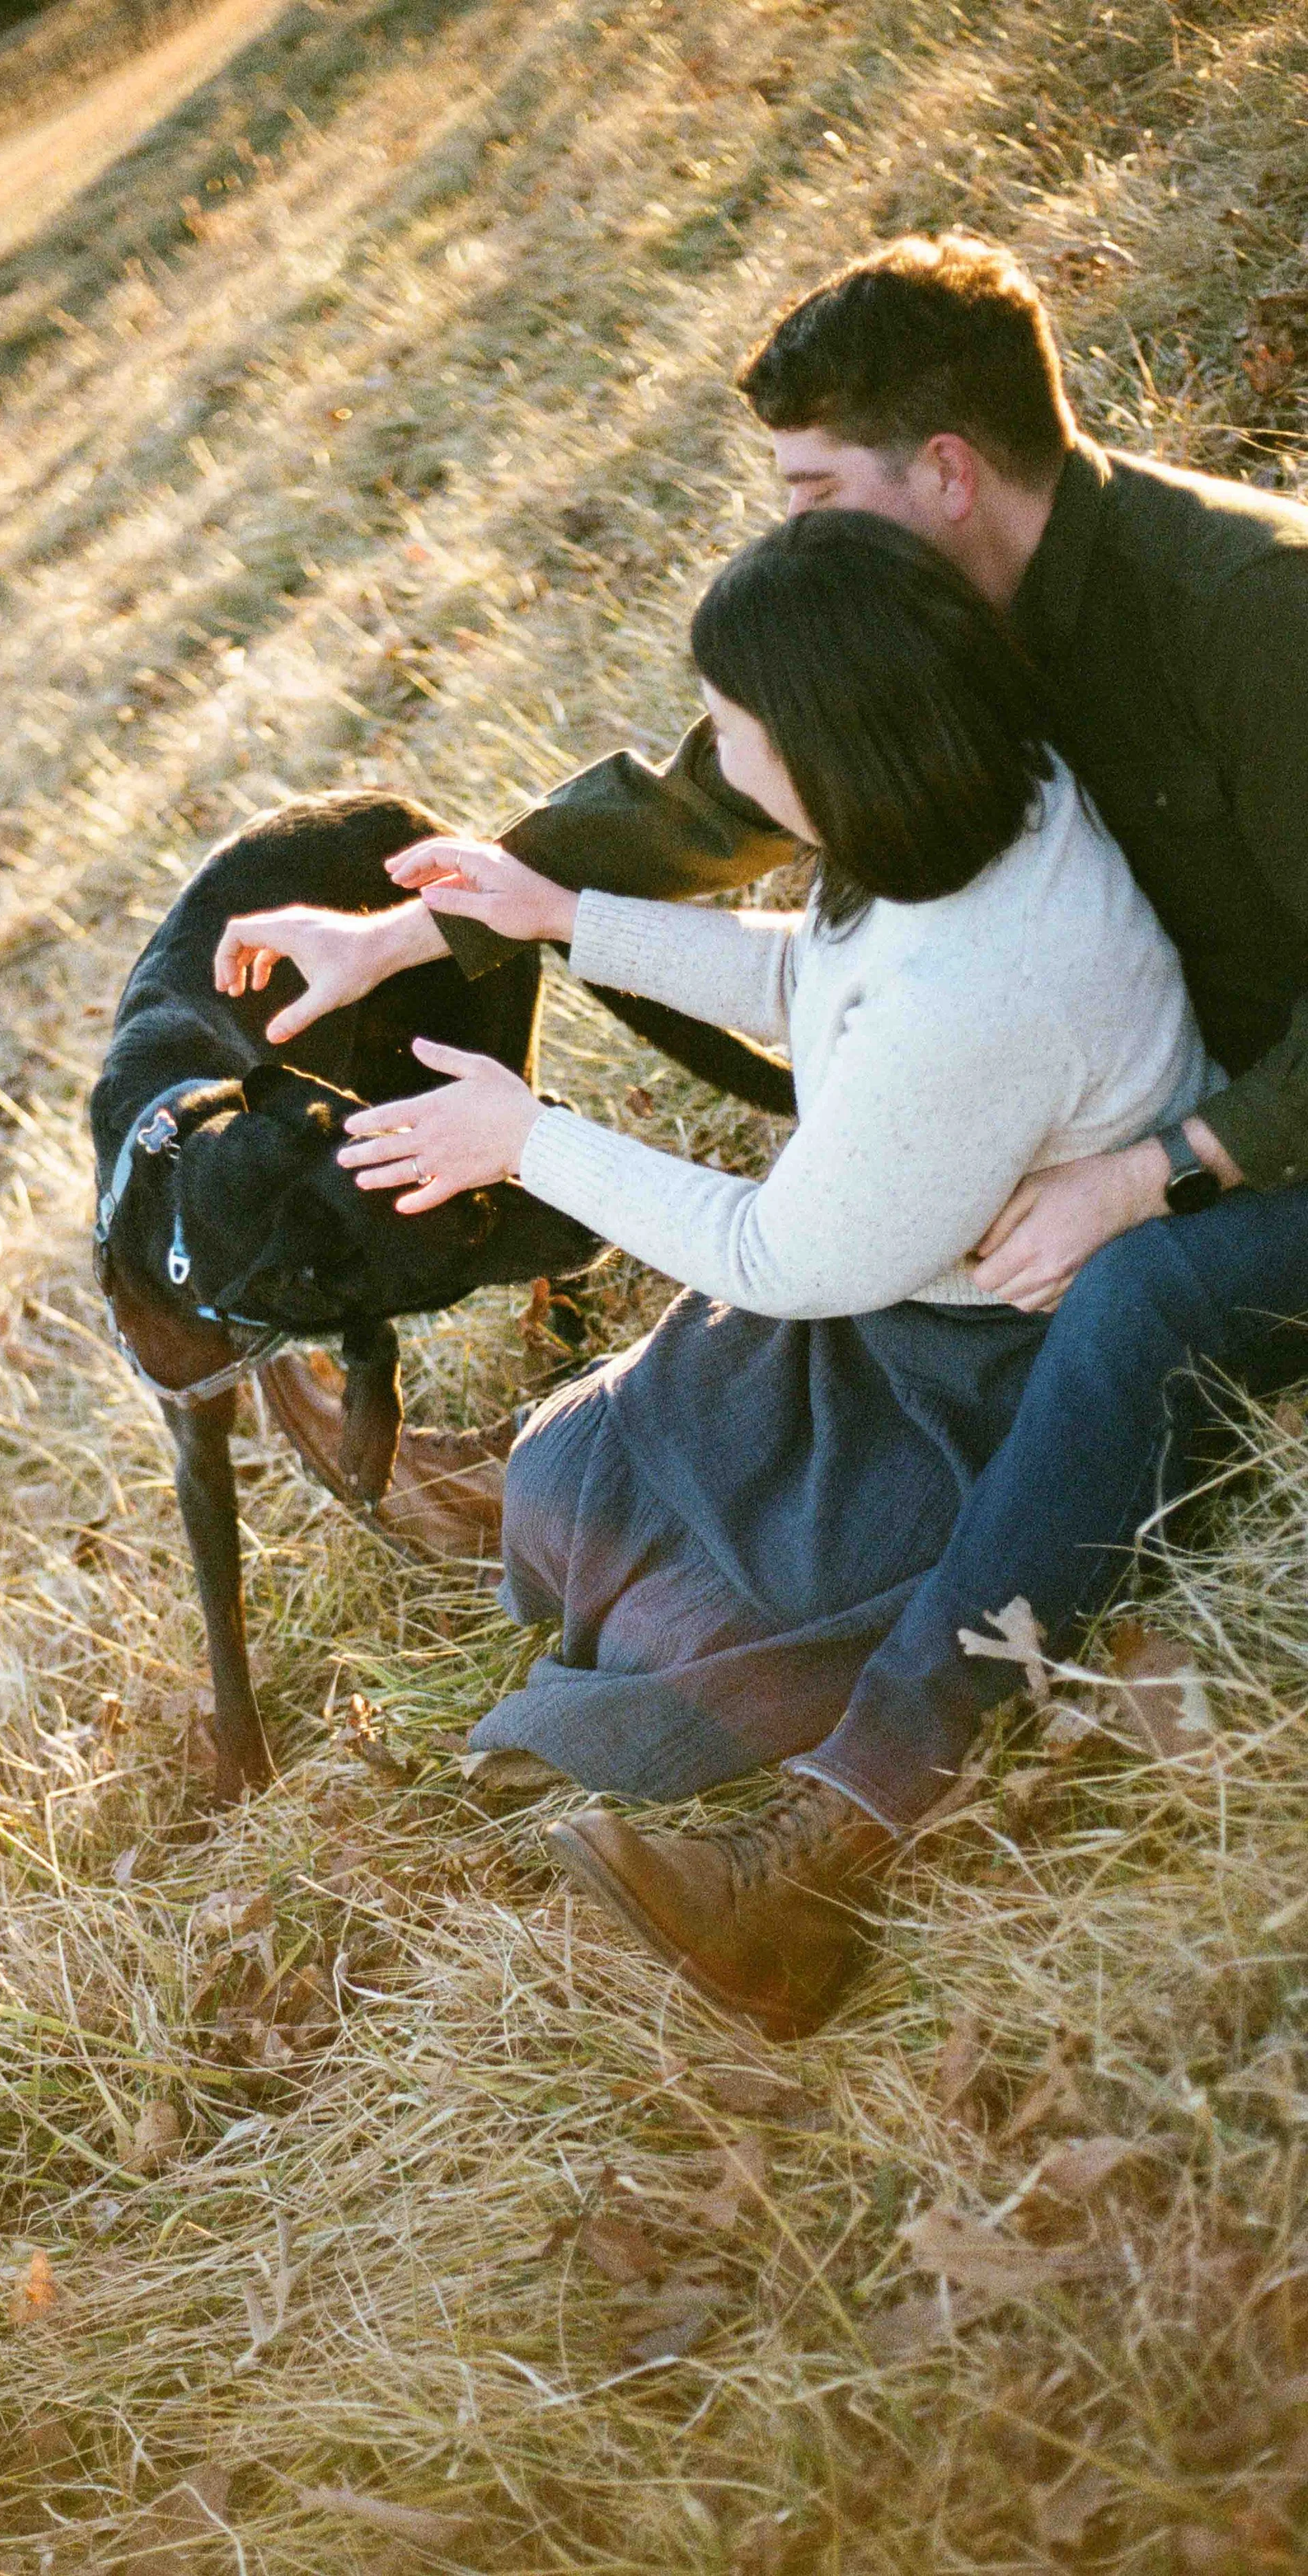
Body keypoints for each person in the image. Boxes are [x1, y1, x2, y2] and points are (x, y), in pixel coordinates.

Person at [213, 234, 1308, 2036]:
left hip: (1251, 1123)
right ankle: (573, 1479)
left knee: (1129, 1301)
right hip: (1089, 1052)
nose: (789, 526)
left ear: (937, 473)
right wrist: (424, 927)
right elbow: (695, 820)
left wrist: (1163, 1169)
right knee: (914, 1183)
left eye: (808, 489)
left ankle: (839, 1853)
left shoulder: (1251, 617)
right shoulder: (936, 624)